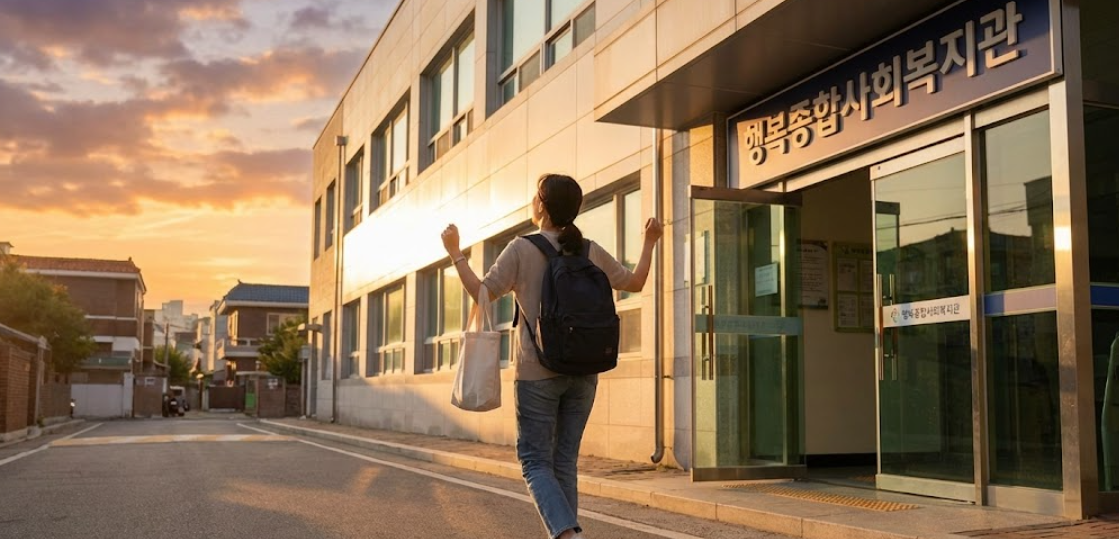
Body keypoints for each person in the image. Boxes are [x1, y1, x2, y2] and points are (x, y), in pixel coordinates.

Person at [441, 173, 662, 539]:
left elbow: (481, 293)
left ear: (542, 206)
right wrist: (650, 241)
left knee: (534, 461)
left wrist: (455, 252)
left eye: (535, 196)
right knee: (564, 463)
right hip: (585, 372)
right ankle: (569, 534)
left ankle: (567, 534)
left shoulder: (521, 248)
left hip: (537, 373)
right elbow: (634, 282)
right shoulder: (588, 249)